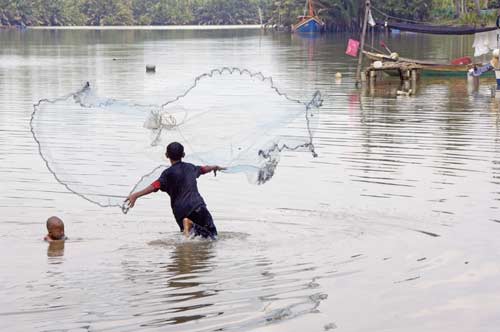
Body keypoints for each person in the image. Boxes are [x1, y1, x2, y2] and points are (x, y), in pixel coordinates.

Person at [125, 142, 224, 239]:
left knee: (192, 238)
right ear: (183, 155)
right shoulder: (190, 167)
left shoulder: (167, 174)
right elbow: (204, 169)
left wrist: (136, 195)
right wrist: (215, 167)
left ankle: (190, 225)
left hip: (180, 212)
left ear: (166, 155)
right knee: (212, 236)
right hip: (196, 205)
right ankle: (190, 225)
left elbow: (155, 186)